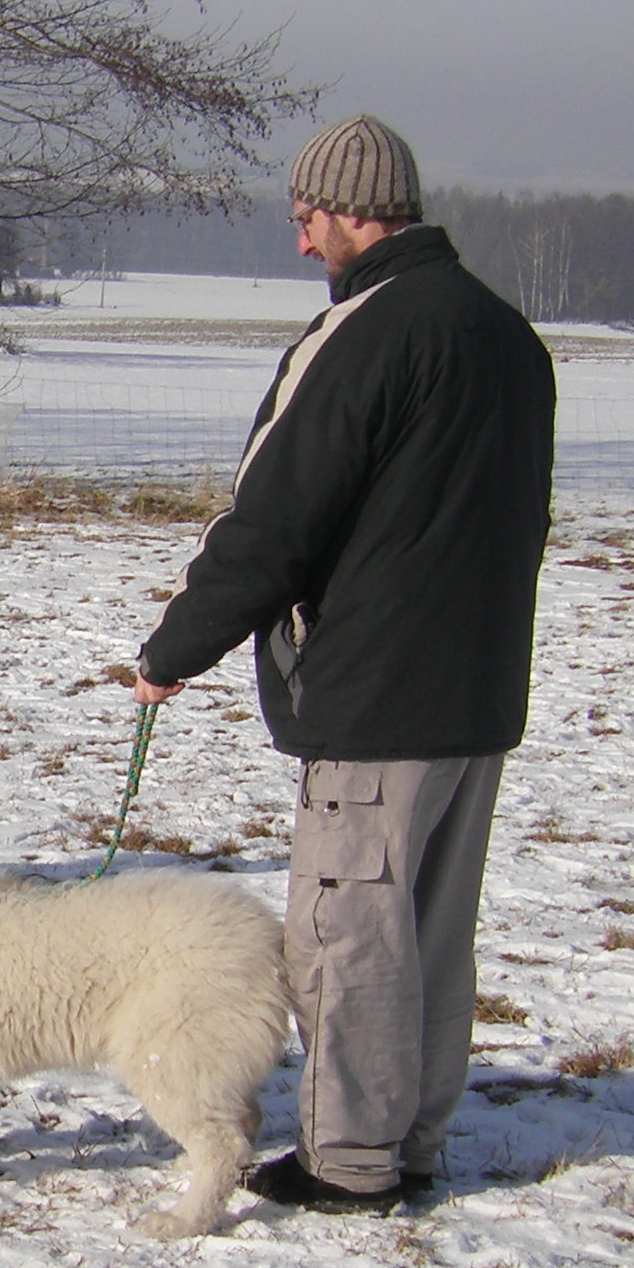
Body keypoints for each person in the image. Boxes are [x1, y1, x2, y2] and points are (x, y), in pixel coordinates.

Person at [133, 116, 554, 1212]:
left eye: (305, 218)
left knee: (348, 935)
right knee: (431, 934)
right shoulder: (510, 337)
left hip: (378, 698)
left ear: (352, 210)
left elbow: (277, 520)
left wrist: (176, 648)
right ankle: (411, 1138)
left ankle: (351, 1161)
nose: (301, 244)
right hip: (480, 694)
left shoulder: (362, 337)